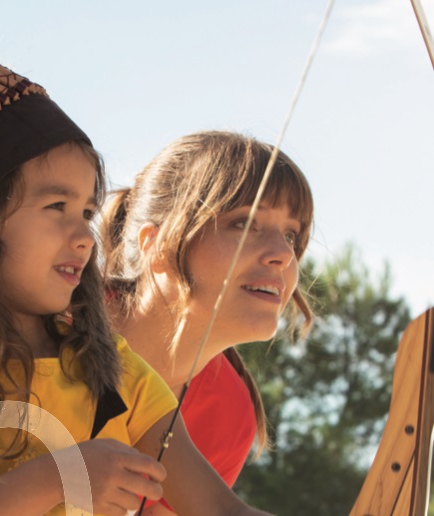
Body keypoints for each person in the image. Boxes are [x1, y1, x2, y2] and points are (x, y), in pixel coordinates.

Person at [0, 3, 272, 515]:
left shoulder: (118, 375)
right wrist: (60, 476)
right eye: (56, 206)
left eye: (86, 210)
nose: (84, 234)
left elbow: (221, 510)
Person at [101, 130, 314, 514]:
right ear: (160, 246)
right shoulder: (50, 325)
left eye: (291, 235)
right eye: (245, 223)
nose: (284, 254)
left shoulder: (229, 413)